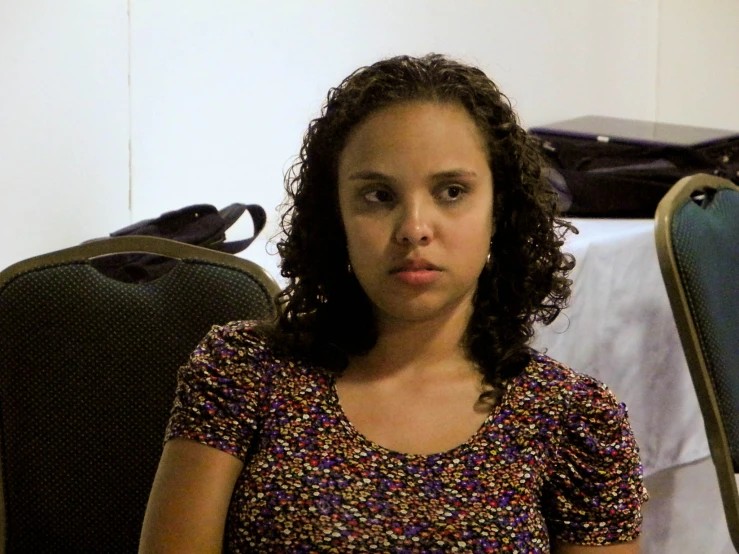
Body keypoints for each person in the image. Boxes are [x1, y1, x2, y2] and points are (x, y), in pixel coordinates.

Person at [139, 54, 648, 553]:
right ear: (335, 216)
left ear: (500, 210)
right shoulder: (243, 371)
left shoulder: (575, 420)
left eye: (451, 191)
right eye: (379, 196)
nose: (413, 229)